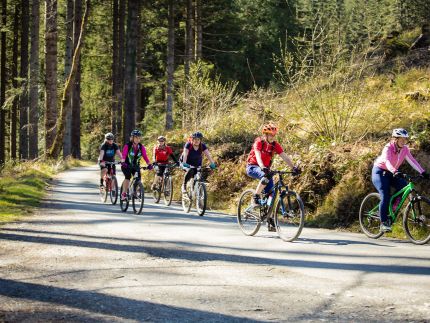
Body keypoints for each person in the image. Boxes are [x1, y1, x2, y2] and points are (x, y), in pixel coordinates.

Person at [372, 128, 429, 232]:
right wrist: (394, 171)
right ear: (395, 139)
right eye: (401, 139)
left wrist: (423, 172)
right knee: (385, 196)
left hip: (392, 172)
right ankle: (383, 222)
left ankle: (392, 209)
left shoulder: (405, 149)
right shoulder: (388, 148)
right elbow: (387, 161)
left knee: (403, 187)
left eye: (405, 139)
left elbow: (412, 161)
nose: (404, 141)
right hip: (380, 172)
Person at [246, 123, 299, 231]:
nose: (272, 137)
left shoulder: (275, 145)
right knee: (265, 177)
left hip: (265, 169)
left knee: (272, 194)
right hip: (253, 167)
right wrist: (262, 166)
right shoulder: (259, 142)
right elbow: (257, 155)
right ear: (265, 134)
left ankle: (269, 218)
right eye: (270, 134)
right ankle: (255, 197)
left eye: (273, 135)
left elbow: (284, 156)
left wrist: (294, 167)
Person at [120, 129, 153, 200]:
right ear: (132, 138)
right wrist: (123, 162)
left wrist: (149, 164)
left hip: (135, 166)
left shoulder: (141, 147)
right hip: (126, 165)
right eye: (136, 137)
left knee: (138, 179)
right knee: (128, 177)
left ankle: (134, 192)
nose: (138, 139)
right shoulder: (127, 146)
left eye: (139, 138)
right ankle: (124, 194)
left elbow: (145, 157)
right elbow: (124, 155)